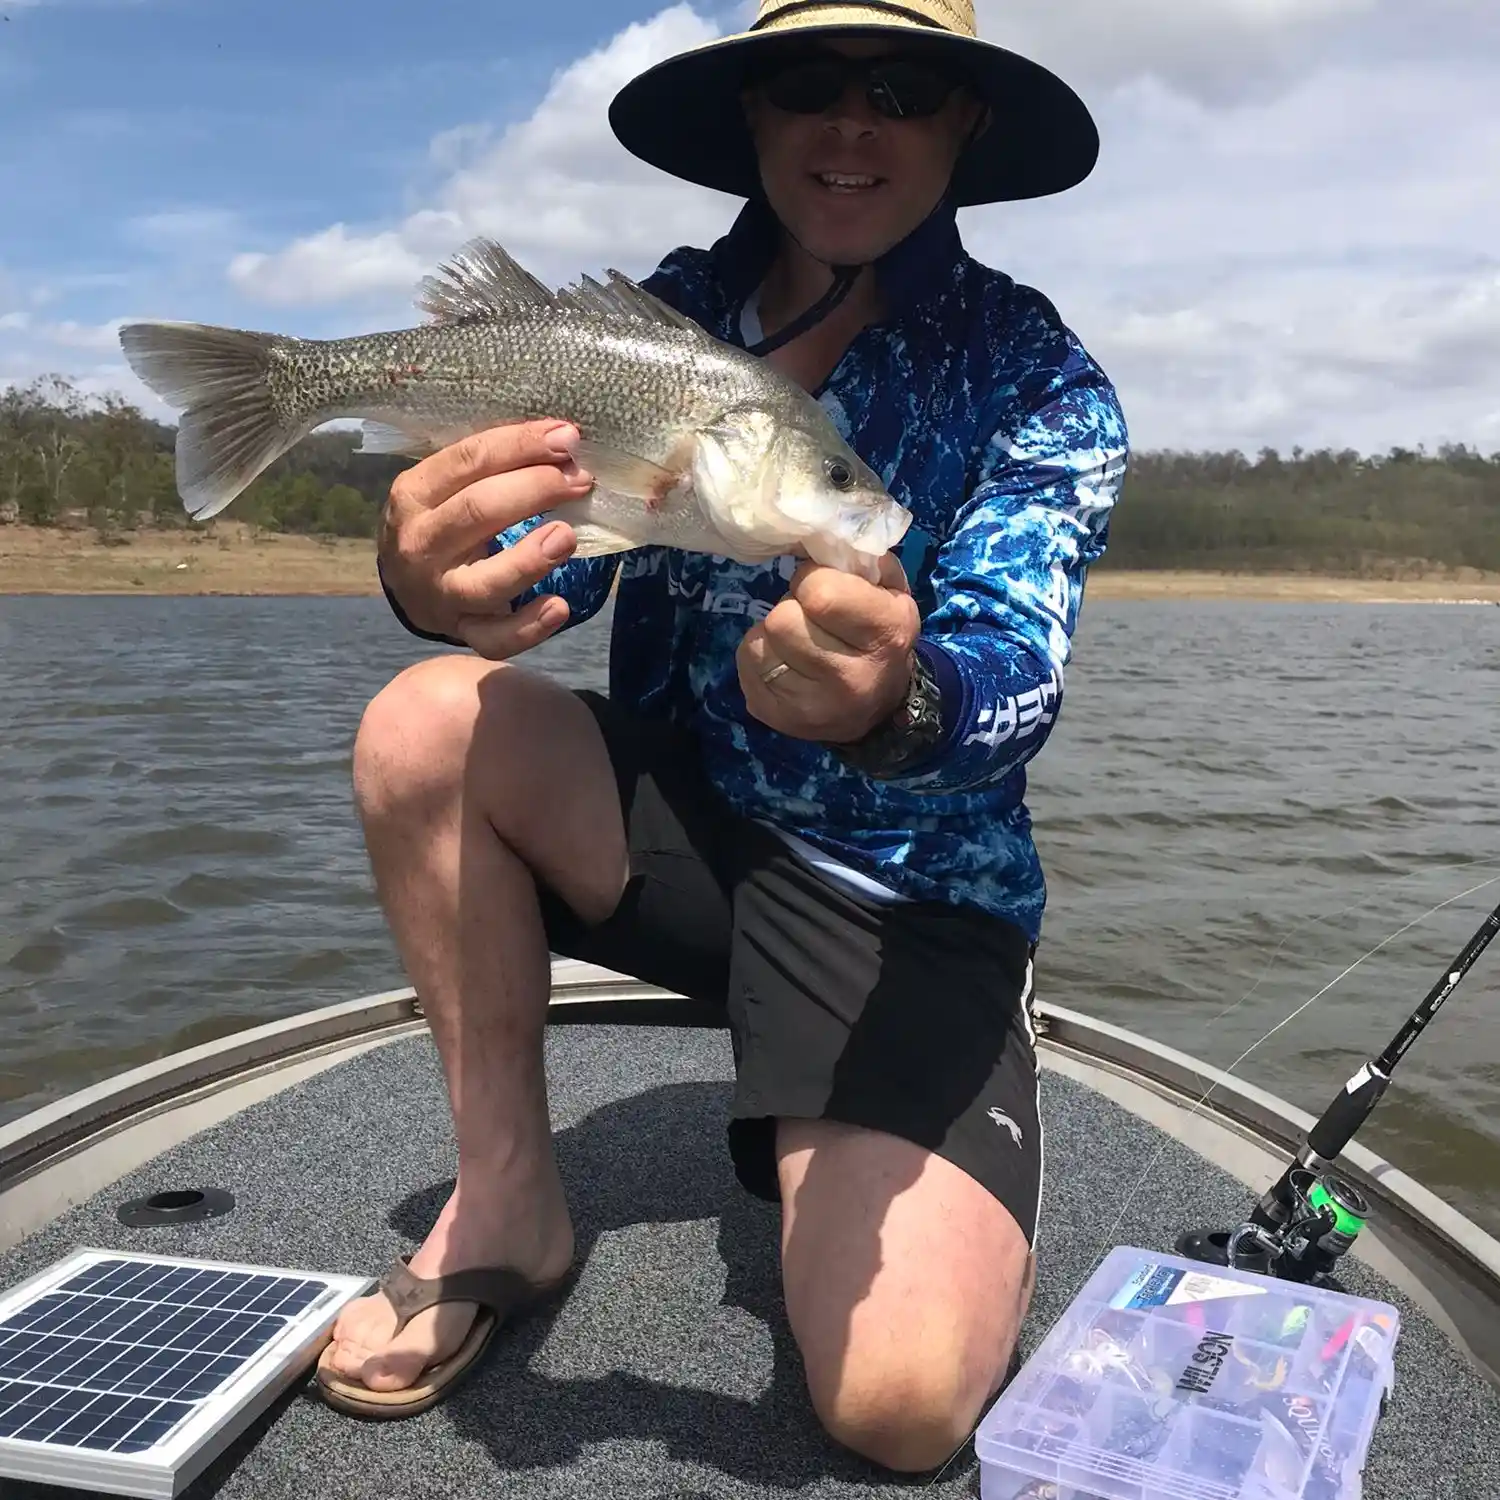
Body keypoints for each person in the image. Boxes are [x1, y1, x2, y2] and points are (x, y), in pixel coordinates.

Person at [315, 0, 1129, 1473]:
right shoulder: (658, 321)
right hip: (684, 839)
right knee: (426, 725)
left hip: (901, 901)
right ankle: (509, 1198)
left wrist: (903, 697)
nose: (850, 121)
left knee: (899, 1406)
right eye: (806, 82)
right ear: (751, 119)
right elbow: (545, 569)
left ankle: (961, 1059)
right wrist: (432, 577)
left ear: (966, 124)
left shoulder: (1037, 376)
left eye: (902, 85)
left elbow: (1020, 673)